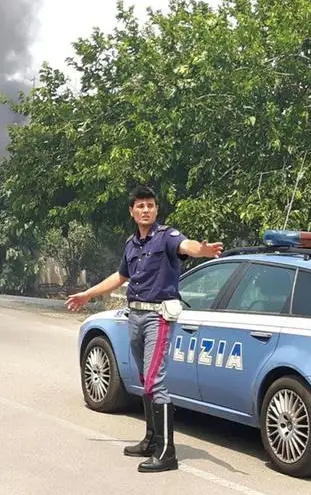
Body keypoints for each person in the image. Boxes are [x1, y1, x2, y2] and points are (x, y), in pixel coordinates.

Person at [66, 186, 223, 473]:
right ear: (132, 211)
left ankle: (167, 452)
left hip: (158, 318)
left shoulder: (167, 237)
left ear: (156, 209)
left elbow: (186, 246)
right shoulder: (131, 244)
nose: (146, 210)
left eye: (150, 205)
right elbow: (120, 276)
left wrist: (202, 250)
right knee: (144, 378)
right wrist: (88, 294)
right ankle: (151, 440)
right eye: (140, 206)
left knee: (154, 380)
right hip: (135, 316)